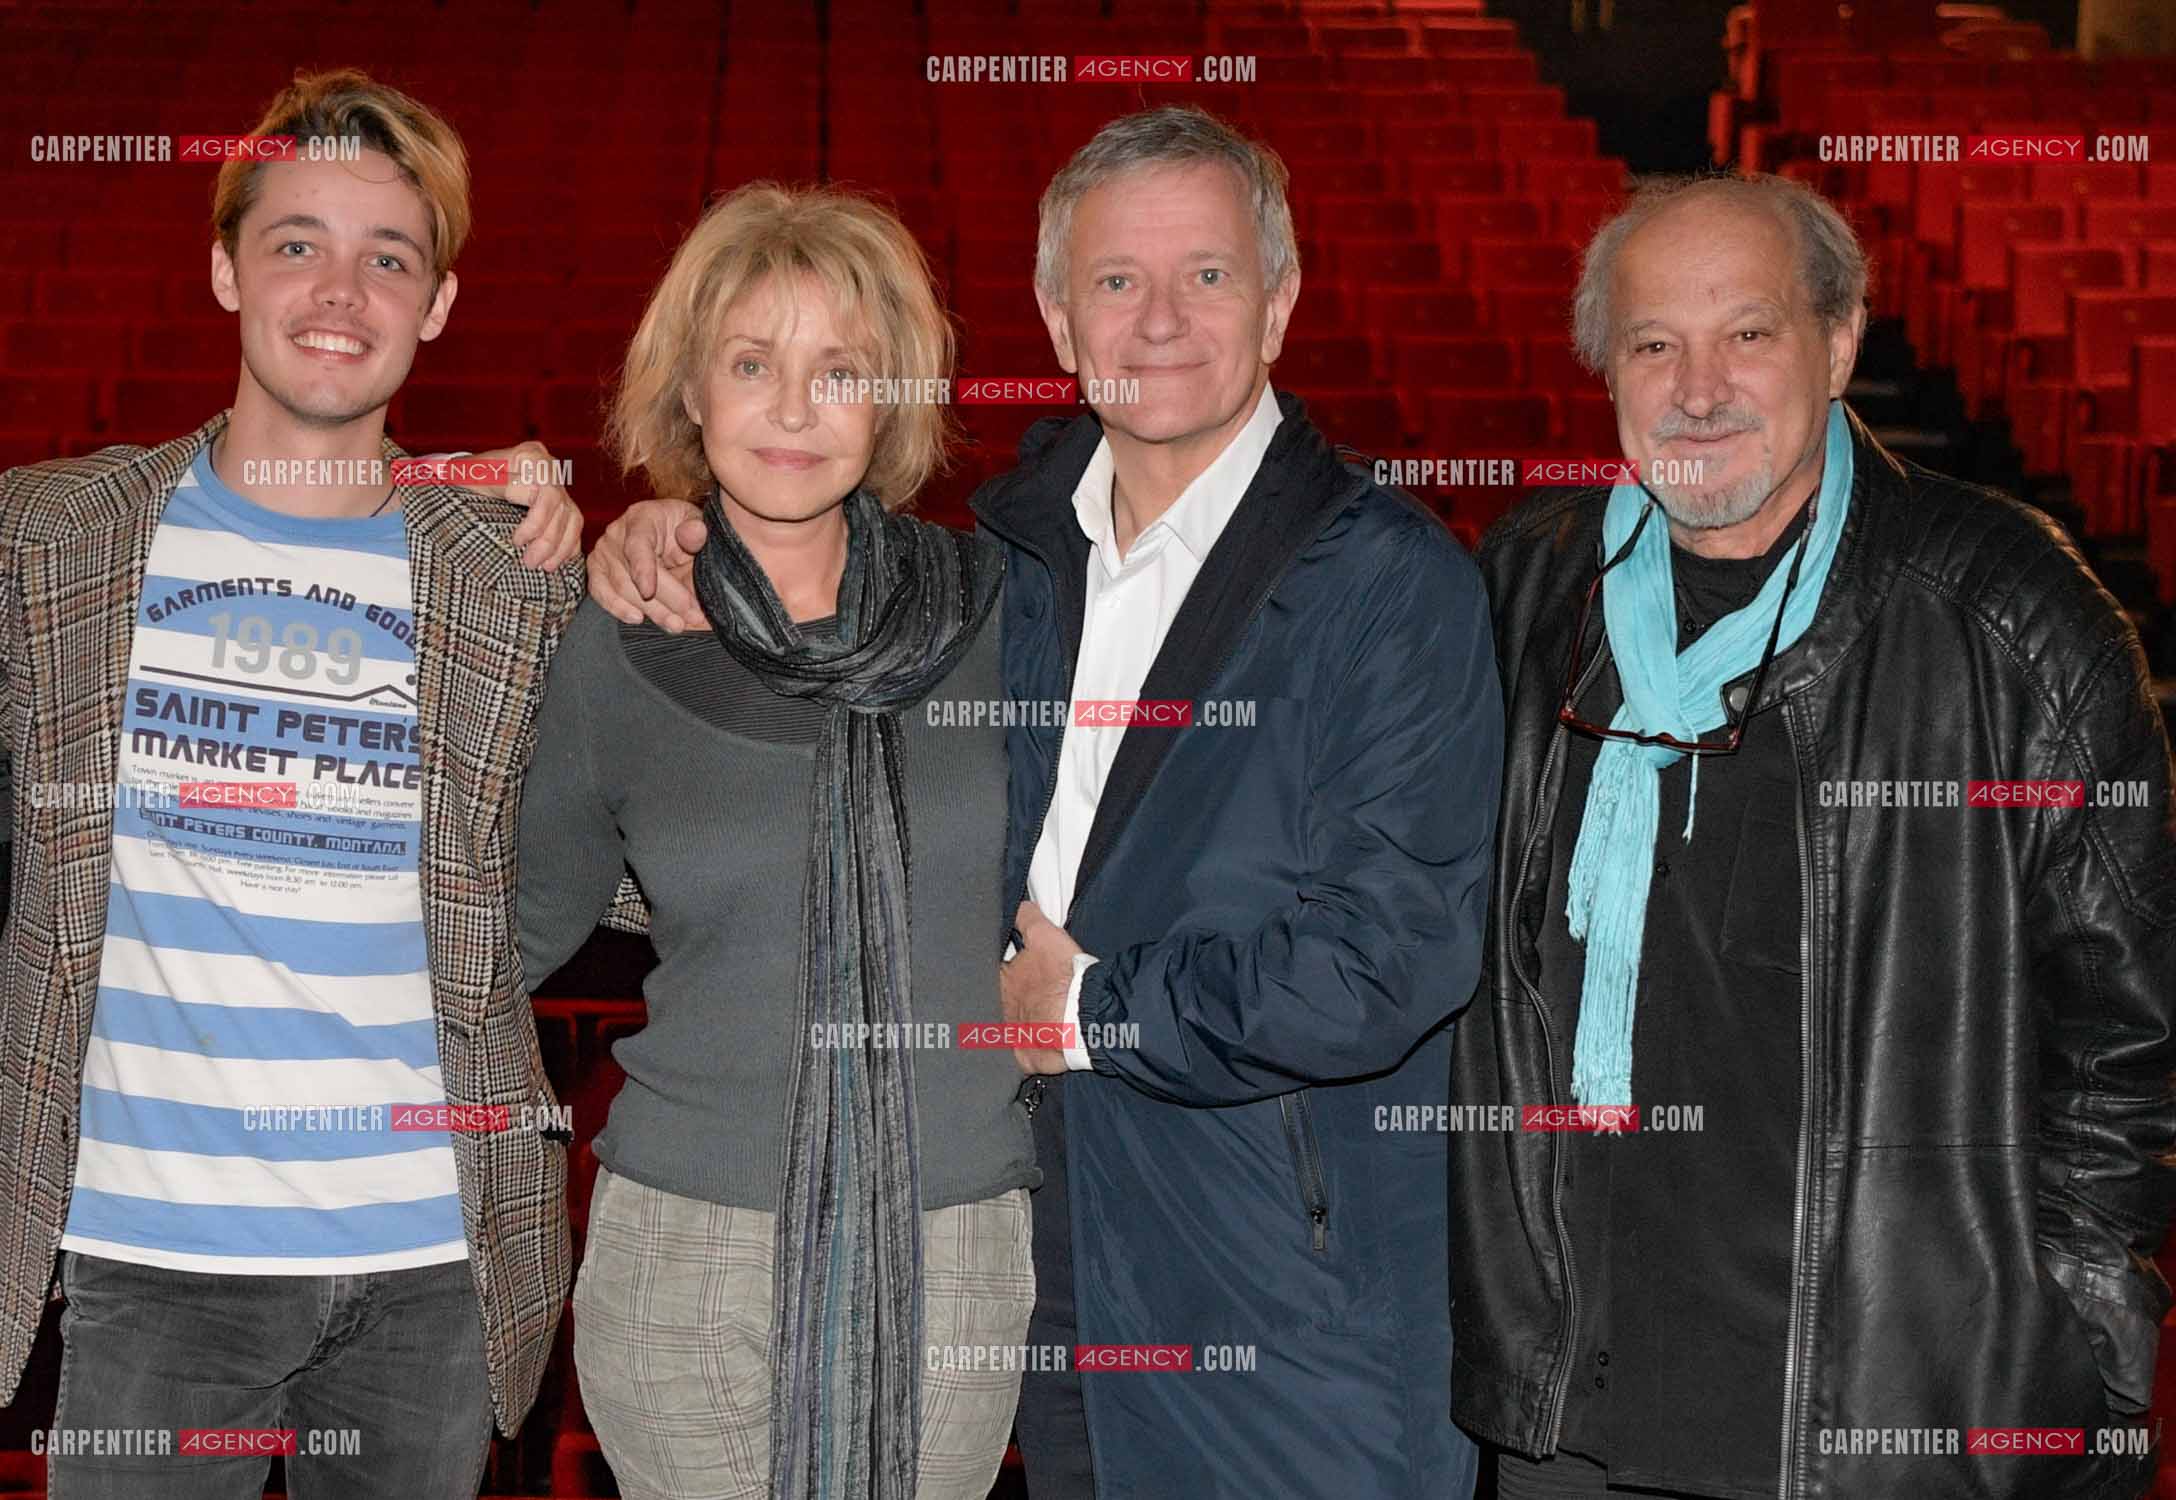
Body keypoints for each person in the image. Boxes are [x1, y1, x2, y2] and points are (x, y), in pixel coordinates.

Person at [590, 105, 1502, 1500]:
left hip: (1288, 1290)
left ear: (1282, 300)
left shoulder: (1388, 582)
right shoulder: (1005, 563)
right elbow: (806, 643)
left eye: (1206, 273)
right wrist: (662, 527)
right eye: (1116, 281)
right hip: (1053, 1251)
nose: (1159, 320)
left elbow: (1389, 960)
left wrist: (1084, 1013)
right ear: (1057, 322)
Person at [1453, 172, 2176, 1500]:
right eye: (1654, 342)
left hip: (1892, 1422)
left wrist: (2076, 1343)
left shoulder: (2007, 621)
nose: (1699, 386)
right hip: (1574, 1414)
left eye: (1749, 332)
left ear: (1840, 344)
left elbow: (2129, 1040)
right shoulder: (1525, 591)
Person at [0, 69, 583, 1498]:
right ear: (223, 270)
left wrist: (674, 554)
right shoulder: (49, 541)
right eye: (297, 243)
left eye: (390, 256)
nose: (342, 290)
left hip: (431, 1270)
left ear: (437, 304)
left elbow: (622, 853)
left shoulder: (512, 579)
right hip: (152, 1256)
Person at [515, 182, 1037, 1500]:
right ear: (689, 389)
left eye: (839, 369)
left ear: (895, 395)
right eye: (752, 363)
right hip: (684, 1252)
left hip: (955, 1243)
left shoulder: (1005, 616)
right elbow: (505, 934)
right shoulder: (613, 638)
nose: (794, 409)